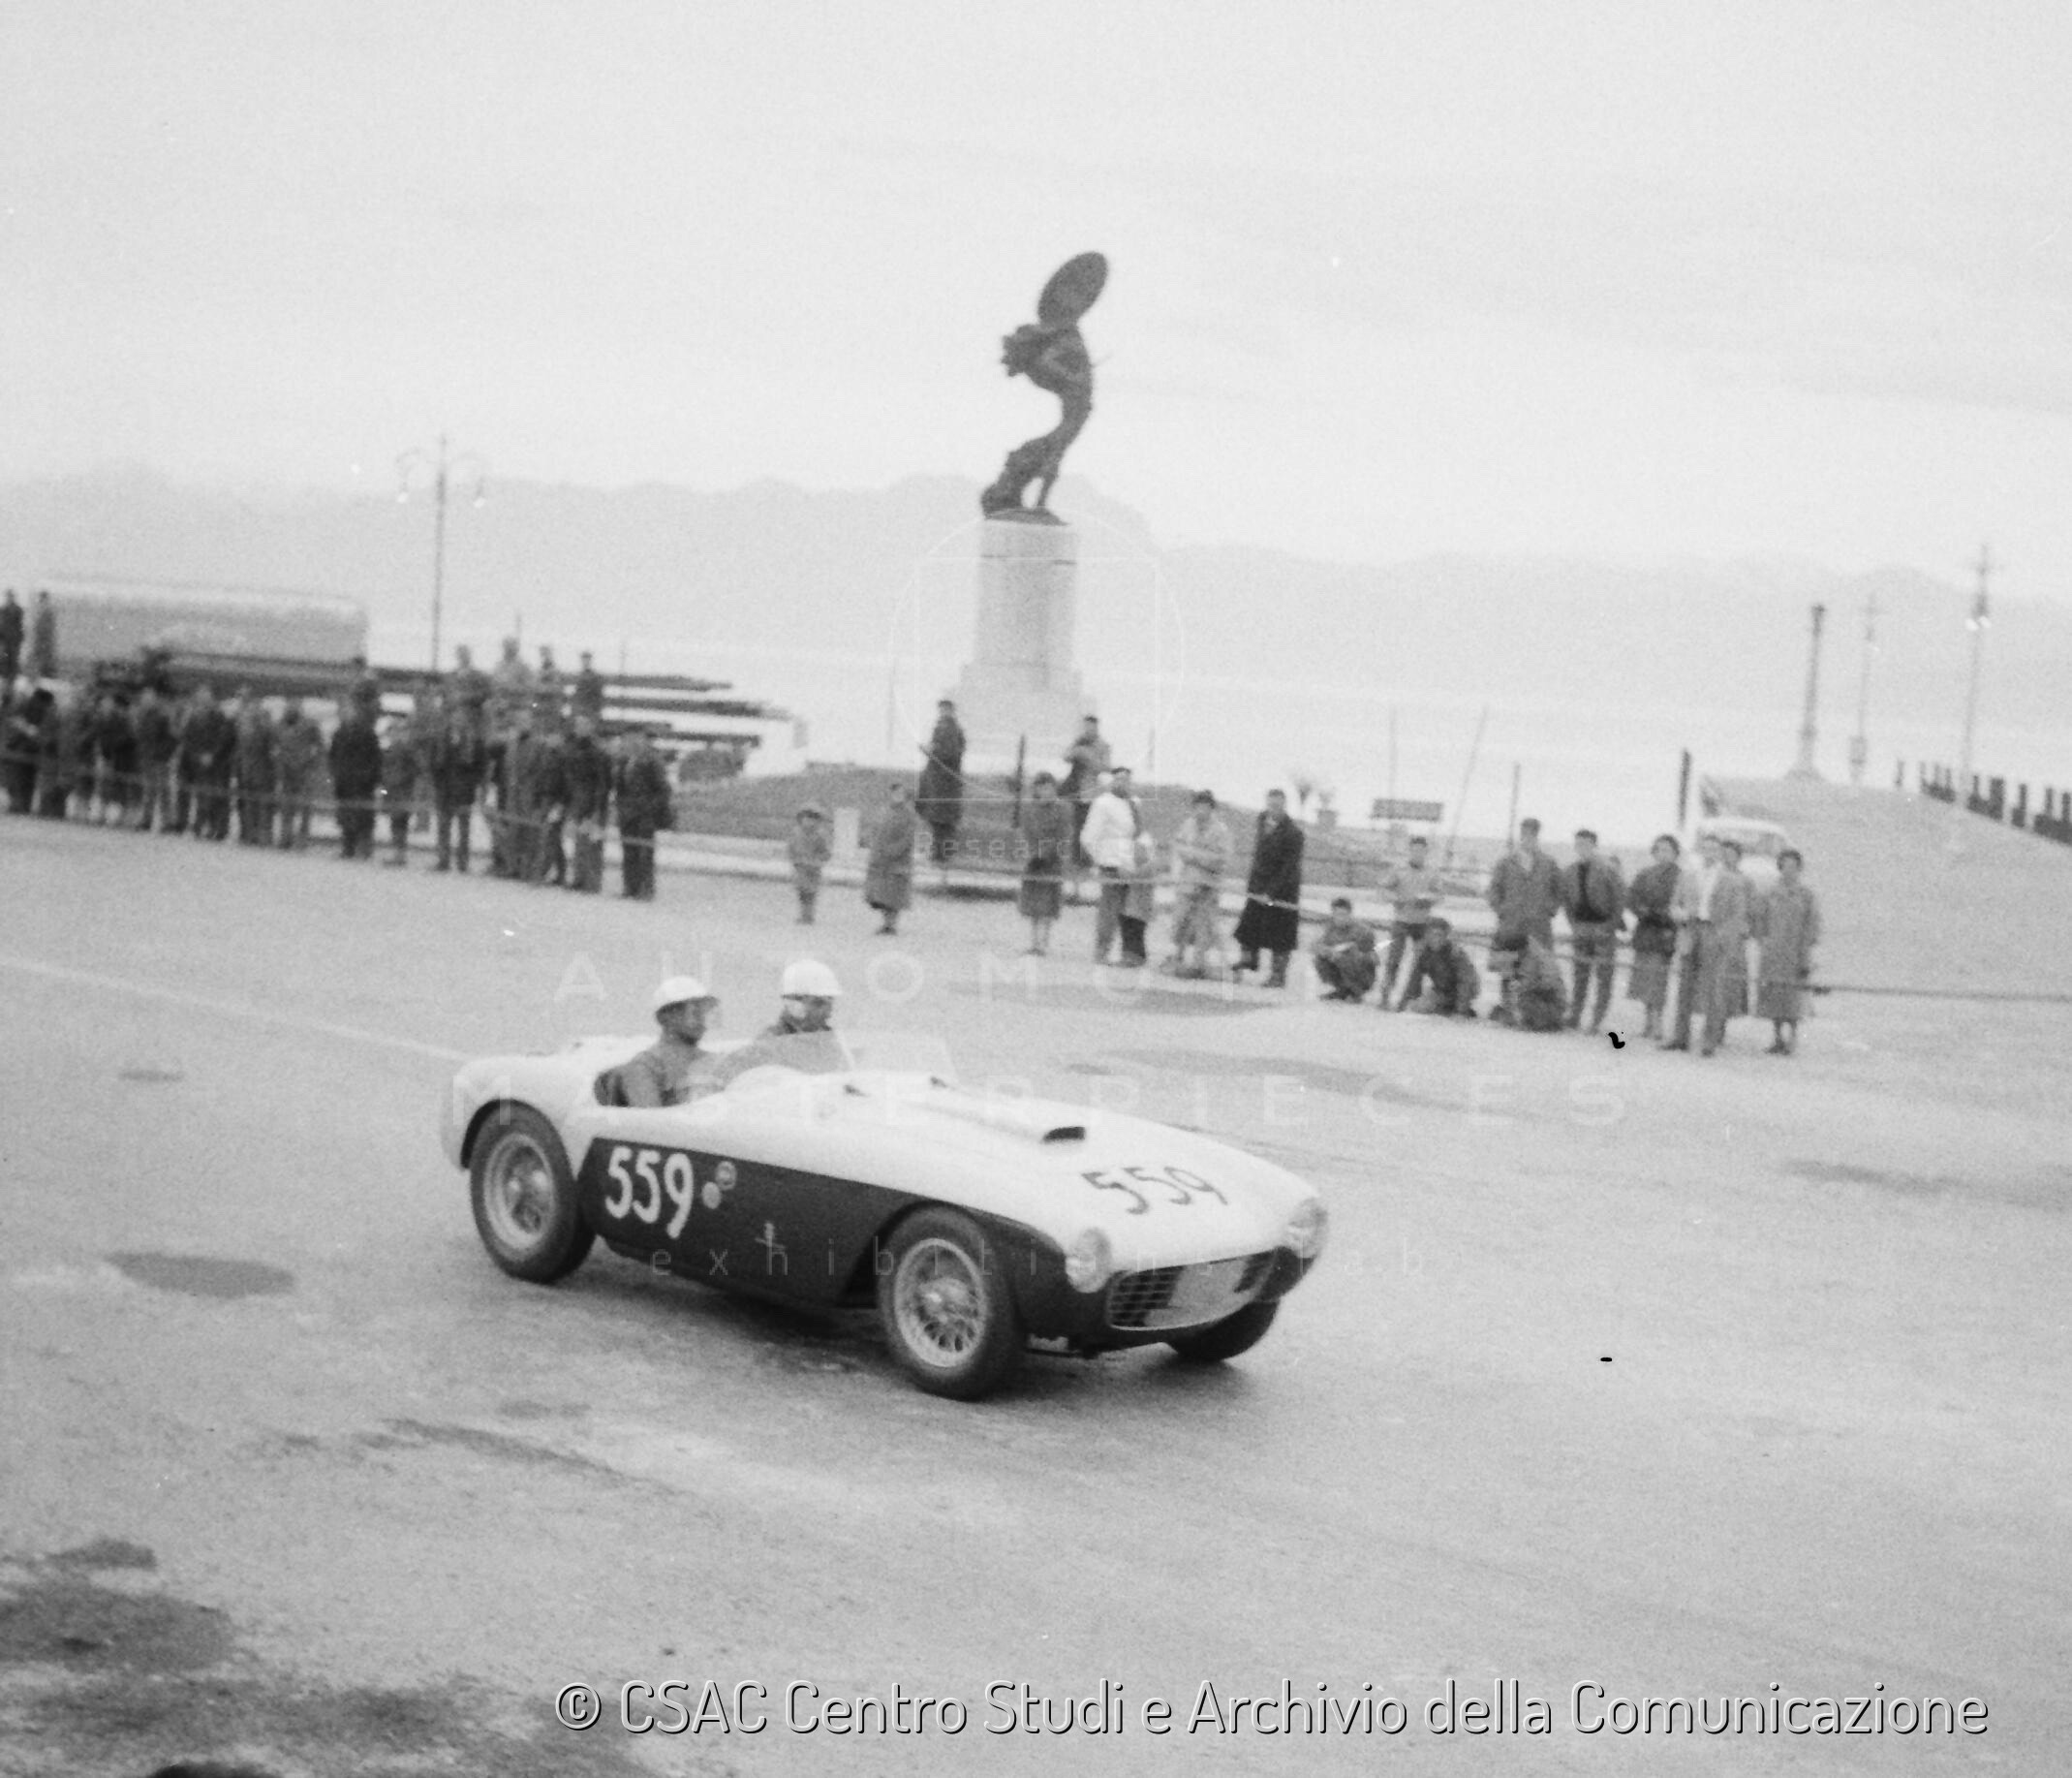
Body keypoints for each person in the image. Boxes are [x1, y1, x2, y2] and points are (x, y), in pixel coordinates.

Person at [1486, 817, 1562, 1025]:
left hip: (1538, 927)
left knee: (1537, 968)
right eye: (1525, 834)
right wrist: (1502, 910)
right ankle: (1508, 1009)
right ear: (1521, 836)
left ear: (1538, 836)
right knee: (1508, 968)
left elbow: (1558, 891)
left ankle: (1530, 1011)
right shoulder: (1505, 863)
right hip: (1510, 926)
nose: (1528, 839)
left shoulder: (1548, 863)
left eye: (1533, 834)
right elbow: (1493, 890)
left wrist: (1549, 910)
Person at [603, 978, 721, 1108]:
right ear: (664, 1018)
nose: (702, 1020)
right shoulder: (643, 1067)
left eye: (705, 1012)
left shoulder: (715, 1061)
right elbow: (649, 1119)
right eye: (694, 1012)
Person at [1752, 849, 1821, 1055]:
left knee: (1793, 997)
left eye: (1793, 866)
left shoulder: (1806, 895)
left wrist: (1806, 948)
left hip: (1797, 952)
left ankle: (1792, 1037)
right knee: (1774, 994)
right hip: (1773, 953)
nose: (1788, 870)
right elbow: (1759, 918)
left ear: (1799, 869)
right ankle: (1777, 1037)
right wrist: (1763, 941)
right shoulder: (1769, 892)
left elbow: (1813, 923)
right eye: (1785, 866)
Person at [1234, 788, 1305, 987]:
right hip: (1258, 888)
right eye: (1271, 805)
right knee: (1249, 926)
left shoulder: (1294, 833)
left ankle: (1278, 975)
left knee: (1280, 935)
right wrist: (1254, 888)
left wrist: (1271, 893)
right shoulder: (1261, 823)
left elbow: (1289, 868)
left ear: (1284, 806)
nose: (1274, 810)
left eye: (1278, 806)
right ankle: (1249, 960)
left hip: (1283, 891)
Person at [1559, 828, 1625, 1033]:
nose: (1582, 849)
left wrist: (1609, 926)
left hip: (1603, 927)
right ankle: (1575, 1015)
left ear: (1594, 845)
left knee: (1603, 976)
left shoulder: (1608, 870)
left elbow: (1619, 900)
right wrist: (1574, 925)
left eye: (1586, 845)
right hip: (1581, 927)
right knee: (1580, 974)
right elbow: (1566, 901)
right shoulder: (1570, 871)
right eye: (1578, 844)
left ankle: (1597, 1019)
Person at [1694, 838, 1754, 1056]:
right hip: (1706, 934)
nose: (1728, 858)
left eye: (1732, 855)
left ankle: (1717, 1030)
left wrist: (1732, 933)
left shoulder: (1742, 881)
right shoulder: (1706, 875)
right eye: (1725, 854)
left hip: (1730, 940)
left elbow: (1746, 912)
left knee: (1724, 986)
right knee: (1707, 985)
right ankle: (1709, 1028)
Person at [1079, 765, 1142, 964]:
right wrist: (1102, 861)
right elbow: (1089, 837)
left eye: (1127, 780)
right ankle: (1101, 951)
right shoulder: (1102, 803)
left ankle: (1127, 953)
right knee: (1109, 910)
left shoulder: (1134, 803)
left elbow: (1137, 834)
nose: (1123, 783)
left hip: (1130, 865)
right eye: (1119, 779)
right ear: (1112, 781)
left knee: (1128, 911)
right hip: (1111, 864)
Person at [1165, 789, 1230, 977]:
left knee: (1204, 926)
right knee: (1180, 922)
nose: (1201, 811)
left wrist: (1196, 856)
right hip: (1186, 883)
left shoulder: (1220, 830)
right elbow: (1178, 847)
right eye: (1198, 807)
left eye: (1205, 807)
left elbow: (1221, 859)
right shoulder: (1187, 826)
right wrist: (1187, 858)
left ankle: (1199, 963)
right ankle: (1176, 957)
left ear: (1212, 809)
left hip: (1208, 885)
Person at [1624, 835, 1683, 1040]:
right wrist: (1642, 911)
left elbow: (1680, 903)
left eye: (1667, 850)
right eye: (1658, 849)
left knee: (1658, 980)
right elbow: (1631, 898)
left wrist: (1662, 915)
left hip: (1665, 932)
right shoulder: (1645, 874)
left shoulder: (1680, 876)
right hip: (1645, 931)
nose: (1662, 854)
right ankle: (1647, 1022)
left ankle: (1658, 1023)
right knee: (1643, 979)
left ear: (1675, 853)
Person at [1376, 835, 1441, 1010]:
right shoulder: (1398, 870)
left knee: (1419, 962)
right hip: (1401, 921)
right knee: (1393, 960)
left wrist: (1428, 899)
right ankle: (1385, 997)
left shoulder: (1432, 873)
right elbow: (1383, 889)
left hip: (1422, 923)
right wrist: (1394, 898)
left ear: (1426, 852)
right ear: (1409, 851)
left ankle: (1409, 999)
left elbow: (1440, 895)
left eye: (1421, 851)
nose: (1417, 854)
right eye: (1415, 850)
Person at [1014, 772, 1072, 955]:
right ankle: (1034, 942)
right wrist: (1033, 854)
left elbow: (1063, 834)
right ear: (1036, 790)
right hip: (1033, 861)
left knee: (1048, 903)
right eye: (1041, 788)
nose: (1046, 792)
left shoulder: (1063, 808)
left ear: (1055, 788)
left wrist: (1047, 853)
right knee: (1033, 904)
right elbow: (1026, 833)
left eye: (1049, 788)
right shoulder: (1029, 809)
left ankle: (1044, 942)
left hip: (1052, 861)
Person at [425, 705, 487, 872]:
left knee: (464, 830)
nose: (458, 721)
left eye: (461, 718)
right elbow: (432, 763)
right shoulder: (440, 738)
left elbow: (480, 767)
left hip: (464, 791)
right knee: (443, 827)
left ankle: (463, 862)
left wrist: (473, 783)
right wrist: (436, 782)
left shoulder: (474, 741)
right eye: (455, 717)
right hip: (444, 789)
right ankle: (443, 859)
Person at [614, 727, 672, 900]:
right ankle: (630, 887)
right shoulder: (624, 761)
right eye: (628, 739)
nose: (633, 743)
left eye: (637, 739)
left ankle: (646, 889)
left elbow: (663, 790)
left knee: (645, 853)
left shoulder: (652, 761)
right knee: (629, 851)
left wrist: (650, 808)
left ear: (645, 741)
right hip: (627, 814)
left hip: (645, 815)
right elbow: (620, 788)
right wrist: (621, 807)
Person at [561, 714, 612, 892]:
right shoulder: (573, 749)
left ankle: (591, 881)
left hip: (593, 802)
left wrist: (597, 808)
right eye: (578, 725)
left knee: (592, 843)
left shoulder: (598, 753)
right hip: (578, 801)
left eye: (584, 724)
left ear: (591, 727)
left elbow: (602, 783)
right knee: (579, 842)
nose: (580, 728)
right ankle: (579, 877)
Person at [180, 686, 238, 841]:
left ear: (213, 699)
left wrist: (212, 754)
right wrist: (198, 756)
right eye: (200, 698)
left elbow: (225, 738)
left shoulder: (221, 717)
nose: (203, 702)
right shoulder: (193, 717)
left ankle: (218, 829)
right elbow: (188, 739)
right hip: (199, 763)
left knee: (218, 797)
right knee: (202, 796)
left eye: (206, 698)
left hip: (218, 763)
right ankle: (200, 827)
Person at [915, 698, 967, 867]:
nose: (943, 713)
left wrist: (930, 751)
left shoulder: (952, 730)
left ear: (951, 711)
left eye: (946, 709)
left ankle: (942, 858)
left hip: (945, 785)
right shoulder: (942, 728)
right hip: (938, 784)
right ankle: (939, 856)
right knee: (937, 821)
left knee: (943, 822)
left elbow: (950, 754)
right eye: (941, 709)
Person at [327, 703, 383, 859]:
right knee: (345, 816)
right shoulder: (339, 734)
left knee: (363, 816)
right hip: (344, 782)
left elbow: (375, 758)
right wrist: (335, 774)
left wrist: (369, 777)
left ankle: (364, 848)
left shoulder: (368, 733)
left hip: (363, 783)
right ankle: (348, 847)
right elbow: (333, 756)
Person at [863, 780, 918, 934]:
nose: (897, 796)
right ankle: (886, 922)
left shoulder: (909, 815)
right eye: (895, 793)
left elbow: (908, 838)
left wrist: (894, 851)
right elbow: (875, 831)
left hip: (898, 861)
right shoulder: (883, 812)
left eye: (901, 793)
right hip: (880, 860)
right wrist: (874, 850)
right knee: (881, 894)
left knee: (894, 894)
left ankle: (891, 925)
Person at [1398, 917, 1480, 1016]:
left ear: (1446, 936)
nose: (1436, 939)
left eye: (1440, 935)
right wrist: (1403, 1005)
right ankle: (1445, 1007)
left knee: (1432, 1006)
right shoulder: (1424, 953)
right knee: (1417, 1006)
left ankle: (1456, 1008)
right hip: (1442, 989)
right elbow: (1414, 981)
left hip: (1464, 988)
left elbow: (1466, 982)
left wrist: (1461, 1010)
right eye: (1432, 935)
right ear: (1426, 935)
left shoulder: (1455, 953)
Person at [1059, 715, 1110, 875]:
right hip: (1073, 790)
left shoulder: (1103, 746)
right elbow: (1065, 757)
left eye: (1091, 727)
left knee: (1087, 828)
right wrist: (1077, 751)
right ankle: (1074, 860)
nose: (1088, 730)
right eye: (1086, 727)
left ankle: (1086, 861)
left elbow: (1105, 767)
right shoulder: (1078, 742)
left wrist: (1087, 756)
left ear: (1096, 728)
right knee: (1074, 826)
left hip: (1089, 792)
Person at [274, 698, 325, 851]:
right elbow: (275, 745)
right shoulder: (280, 725)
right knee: (286, 806)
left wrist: (312, 763)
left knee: (304, 807)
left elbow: (319, 746)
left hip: (304, 770)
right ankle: (286, 836)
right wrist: (279, 760)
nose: (291, 708)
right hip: (286, 769)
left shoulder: (310, 725)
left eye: (295, 705)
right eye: (289, 705)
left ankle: (302, 839)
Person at [1311, 896, 1378, 1002]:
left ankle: (1356, 991)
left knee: (1343, 958)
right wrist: (1326, 951)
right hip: (1341, 964)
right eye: (1337, 915)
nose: (1340, 918)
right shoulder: (1330, 928)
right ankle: (1342, 990)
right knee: (1320, 960)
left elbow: (1372, 959)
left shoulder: (1363, 931)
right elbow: (1315, 945)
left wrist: (1347, 955)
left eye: (1344, 915)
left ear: (1350, 914)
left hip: (1363, 973)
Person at [232, 691, 277, 846]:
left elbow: (271, 751)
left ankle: (263, 836)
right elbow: (240, 751)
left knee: (263, 805)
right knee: (248, 803)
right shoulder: (243, 729)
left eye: (256, 709)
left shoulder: (267, 730)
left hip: (263, 772)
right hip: (247, 771)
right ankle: (249, 834)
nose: (253, 712)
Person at [132, 686, 177, 833]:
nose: (146, 701)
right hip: (146, 758)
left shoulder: (163, 716)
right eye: (144, 699)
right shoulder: (142, 716)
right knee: (148, 790)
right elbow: (140, 737)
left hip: (160, 759)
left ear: (155, 700)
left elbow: (172, 738)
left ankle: (167, 822)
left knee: (163, 791)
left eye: (149, 698)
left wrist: (163, 754)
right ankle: (146, 820)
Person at [379, 715, 420, 866]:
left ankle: (400, 854)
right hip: (391, 791)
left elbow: (414, 770)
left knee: (400, 822)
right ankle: (397, 853)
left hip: (403, 791)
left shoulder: (407, 750)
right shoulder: (389, 749)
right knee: (395, 822)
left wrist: (399, 779)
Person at [789, 802, 832, 924]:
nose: (810, 822)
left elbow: (826, 852)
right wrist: (794, 859)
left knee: (811, 893)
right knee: (801, 892)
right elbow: (791, 848)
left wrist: (818, 860)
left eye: (814, 819)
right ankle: (803, 914)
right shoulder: (796, 833)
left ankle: (809, 915)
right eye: (807, 818)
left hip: (813, 869)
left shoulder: (820, 835)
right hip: (800, 868)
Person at [447, 643, 492, 743]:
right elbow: (446, 696)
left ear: (469, 656)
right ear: (457, 657)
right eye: (461, 655)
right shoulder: (451, 676)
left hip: (473, 716)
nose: (463, 657)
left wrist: (466, 697)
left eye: (465, 654)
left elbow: (485, 694)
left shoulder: (478, 676)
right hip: (454, 716)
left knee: (470, 741)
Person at [570, 650, 608, 728]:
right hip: (580, 709)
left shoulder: (596, 677)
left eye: (587, 660)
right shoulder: (579, 676)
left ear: (590, 661)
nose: (585, 662)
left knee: (585, 722)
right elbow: (576, 696)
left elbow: (599, 697)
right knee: (579, 721)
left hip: (591, 709)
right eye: (584, 660)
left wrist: (595, 710)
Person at [534, 645, 565, 735]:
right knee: (541, 728)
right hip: (541, 706)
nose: (545, 657)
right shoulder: (539, 671)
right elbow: (535, 687)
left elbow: (557, 688)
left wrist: (543, 688)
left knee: (553, 729)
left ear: (550, 655)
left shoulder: (555, 670)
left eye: (546, 654)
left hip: (553, 705)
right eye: (542, 655)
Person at [29, 591, 57, 678]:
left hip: (46, 636)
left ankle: (45, 672)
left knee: (46, 654)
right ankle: (38, 671)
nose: (42, 600)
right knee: (38, 653)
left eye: (44, 598)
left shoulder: (48, 610)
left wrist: (48, 635)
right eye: (41, 599)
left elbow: (50, 625)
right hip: (39, 636)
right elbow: (36, 624)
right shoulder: (39, 610)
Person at [0, 590, 21, 685]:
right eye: (8, 596)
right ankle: (5, 676)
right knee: (4, 657)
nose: (9, 598)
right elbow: (1, 623)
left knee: (13, 657)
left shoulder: (18, 610)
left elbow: (19, 625)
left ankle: (12, 677)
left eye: (10, 596)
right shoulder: (3, 609)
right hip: (4, 638)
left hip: (14, 638)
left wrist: (19, 637)